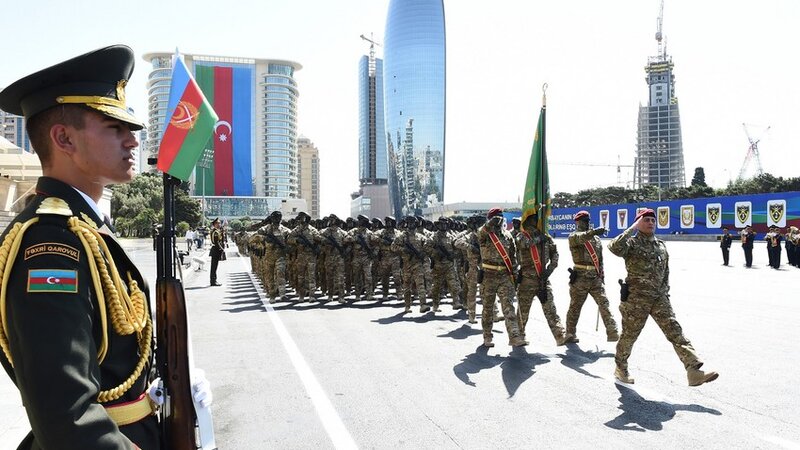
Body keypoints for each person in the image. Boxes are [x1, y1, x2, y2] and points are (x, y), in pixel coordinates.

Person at [0, 45, 209, 449]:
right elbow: (67, 415)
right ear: (63, 138)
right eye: (114, 128)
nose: (133, 141)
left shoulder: (86, 229)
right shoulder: (49, 243)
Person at [608, 208, 718, 386]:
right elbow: (614, 247)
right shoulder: (632, 243)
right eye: (646, 220)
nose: (651, 222)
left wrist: (665, 293)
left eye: (653, 220)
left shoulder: (660, 245)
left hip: (659, 298)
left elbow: (665, 272)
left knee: (675, 332)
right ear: (638, 223)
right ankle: (621, 368)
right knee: (629, 336)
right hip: (636, 300)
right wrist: (632, 228)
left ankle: (693, 370)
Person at [515, 214, 571, 346]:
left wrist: (550, 269)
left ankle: (560, 335)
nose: (536, 223)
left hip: (543, 279)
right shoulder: (521, 236)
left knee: (551, 309)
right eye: (533, 220)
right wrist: (539, 238)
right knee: (523, 312)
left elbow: (555, 253)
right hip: (526, 280)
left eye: (537, 220)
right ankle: (519, 336)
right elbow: (524, 244)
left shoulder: (546, 237)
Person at [566, 210, 619, 342]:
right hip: (580, 278)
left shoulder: (596, 239)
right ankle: (570, 333)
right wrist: (594, 232)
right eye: (584, 221)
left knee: (604, 303)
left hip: (595, 278)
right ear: (577, 222)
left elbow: (600, 259)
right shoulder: (574, 236)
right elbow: (582, 237)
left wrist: (602, 275)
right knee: (575, 307)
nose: (587, 223)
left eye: (588, 221)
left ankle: (612, 331)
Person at [477, 208, 525, 348]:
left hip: (505, 276)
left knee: (509, 307)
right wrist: (489, 224)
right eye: (495, 217)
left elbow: (513, 257)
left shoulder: (508, 236)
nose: (498, 220)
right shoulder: (485, 233)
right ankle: (487, 336)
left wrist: (515, 276)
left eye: (500, 217)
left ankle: (514, 337)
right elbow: (481, 232)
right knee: (487, 308)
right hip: (488, 275)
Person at [209, 218, 224, 286]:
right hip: (215, 250)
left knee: (214, 266)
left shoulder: (216, 231)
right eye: (218, 223)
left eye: (219, 223)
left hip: (215, 249)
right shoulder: (215, 232)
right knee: (214, 267)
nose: (219, 224)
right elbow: (217, 242)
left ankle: (213, 280)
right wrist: (221, 249)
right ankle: (213, 281)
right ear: (215, 224)